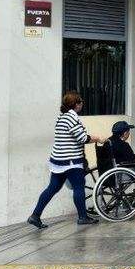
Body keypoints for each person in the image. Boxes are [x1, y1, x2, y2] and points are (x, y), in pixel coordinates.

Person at [28, 91, 103, 229]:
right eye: (81, 101)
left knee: (52, 188)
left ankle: (35, 216)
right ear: (76, 104)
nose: (82, 103)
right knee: (79, 186)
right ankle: (82, 217)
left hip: (58, 160)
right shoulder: (72, 118)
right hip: (71, 161)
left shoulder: (62, 117)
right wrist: (97, 138)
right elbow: (82, 138)